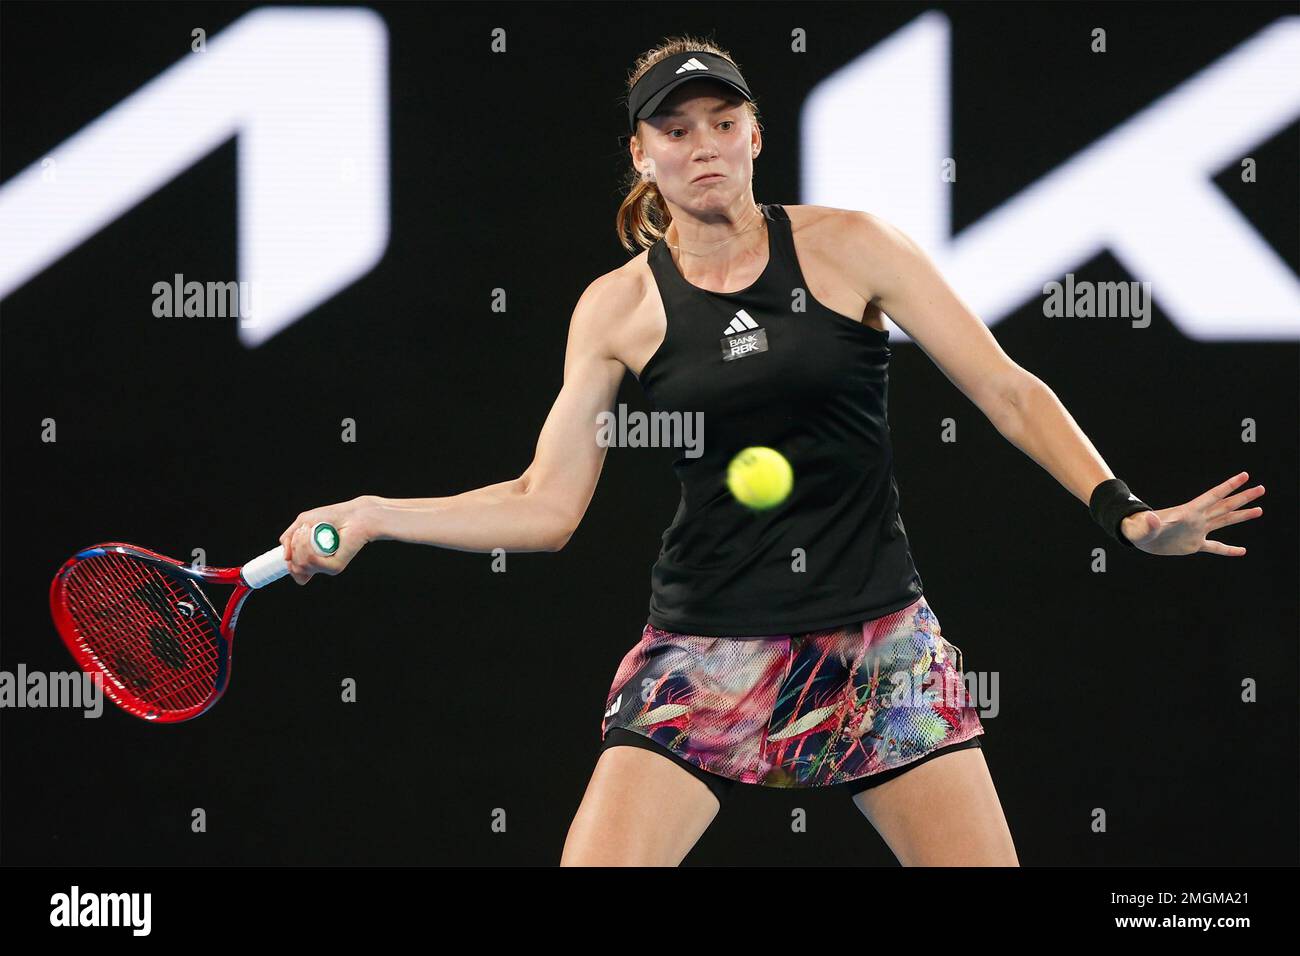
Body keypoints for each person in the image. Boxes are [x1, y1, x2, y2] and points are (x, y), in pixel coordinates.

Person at [277, 36, 1266, 867]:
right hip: (703, 652)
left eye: (720, 121)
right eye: (675, 128)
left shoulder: (853, 246)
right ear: (640, 155)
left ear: (754, 133)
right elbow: (546, 503)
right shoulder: (615, 307)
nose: (702, 144)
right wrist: (372, 513)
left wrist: (1122, 510)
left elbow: (1007, 388)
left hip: (880, 643)